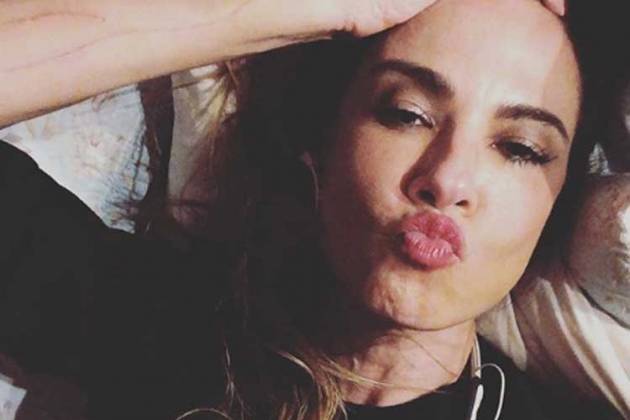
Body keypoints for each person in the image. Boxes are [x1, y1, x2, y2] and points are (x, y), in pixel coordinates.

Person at [0, 0, 623, 419]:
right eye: (406, 113)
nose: (448, 179)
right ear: (320, 139)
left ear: (558, 202)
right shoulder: (159, 325)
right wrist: (307, 9)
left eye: (520, 148)